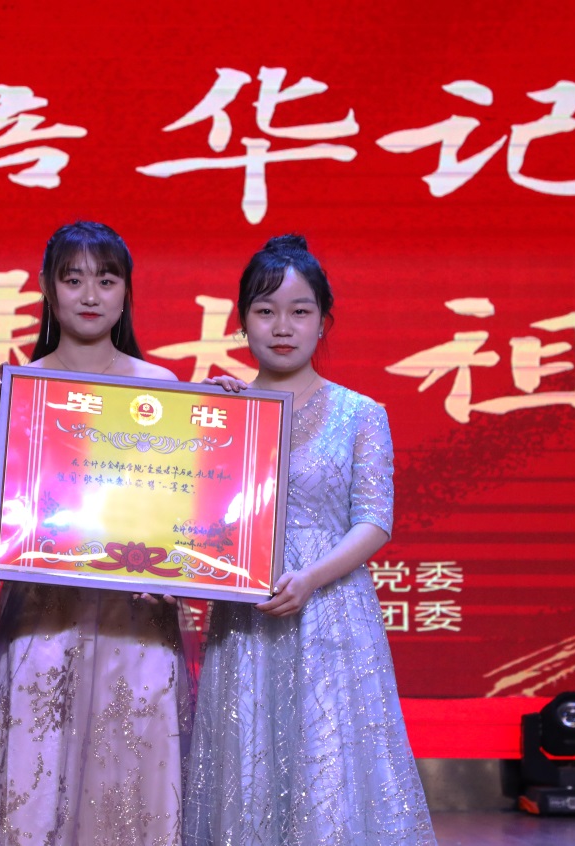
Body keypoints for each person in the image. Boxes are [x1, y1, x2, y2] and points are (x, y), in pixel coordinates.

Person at [0, 221, 190, 845]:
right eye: (73, 279)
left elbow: (183, 511)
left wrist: (228, 420)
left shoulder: (162, 388)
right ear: (49, 291)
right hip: (45, 617)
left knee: (132, 772)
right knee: (35, 769)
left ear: (126, 291)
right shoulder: (24, 385)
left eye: (106, 280)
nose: (90, 294)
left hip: (137, 616)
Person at [184, 235, 436, 845]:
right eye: (265, 310)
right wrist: (208, 423)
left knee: (328, 760)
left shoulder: (360, 413)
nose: (282, 327)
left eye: (300, 311)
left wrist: (310, 579)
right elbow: (192, 518)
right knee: (247, 755)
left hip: (330, 611)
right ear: (242, 321)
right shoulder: (223, 411)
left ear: (324, 321)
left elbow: (374, 520)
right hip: (246, 614)